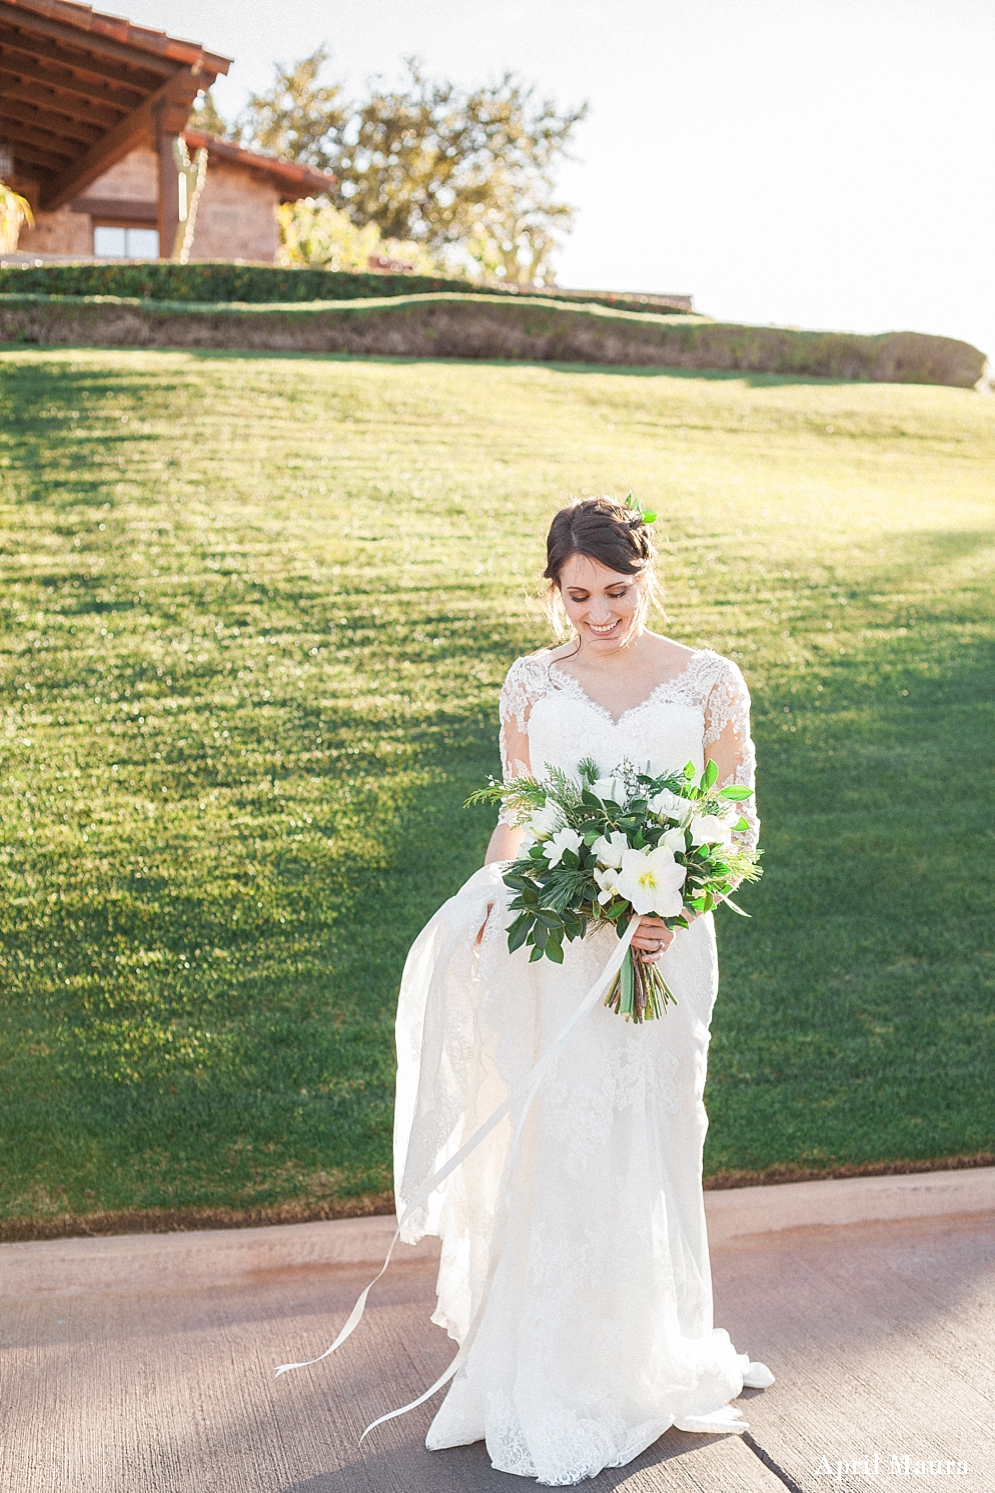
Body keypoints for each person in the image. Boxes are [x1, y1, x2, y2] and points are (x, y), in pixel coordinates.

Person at [393, 496, 773, 1485]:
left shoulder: (706, 680)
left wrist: (674, 901)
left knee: (653, 1133)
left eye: (616, 590)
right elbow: (518, 816)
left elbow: (732, 820)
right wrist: (488, 894)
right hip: (555, 947)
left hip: (661, 946)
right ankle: (555, 1363)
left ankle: (656, 1344)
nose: (598, 613)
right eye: (577, 594)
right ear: (551, 589)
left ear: (645, 576)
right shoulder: (529, 681)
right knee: (559, 1139)